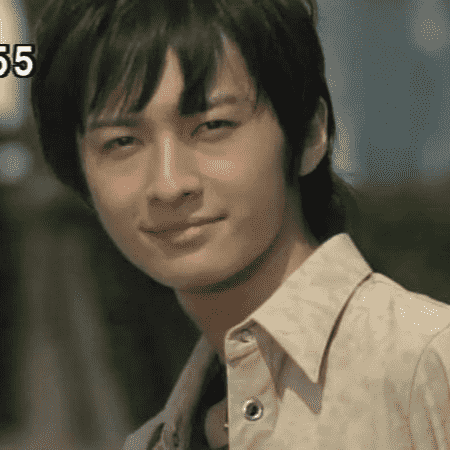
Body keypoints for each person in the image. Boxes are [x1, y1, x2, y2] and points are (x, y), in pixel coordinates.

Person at [31, 0, 450, 448]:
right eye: (122, 142)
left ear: (310, 133)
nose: (169, 184)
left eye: (213, 125)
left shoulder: (427, 366)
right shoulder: (159, 438)